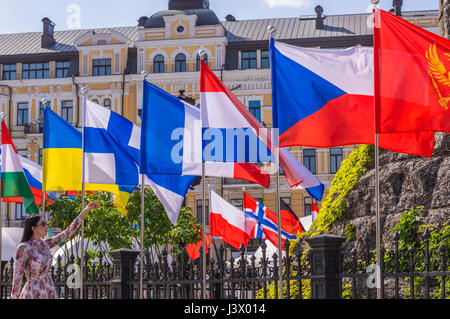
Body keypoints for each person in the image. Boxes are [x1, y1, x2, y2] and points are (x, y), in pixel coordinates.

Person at [10, 201, 99, 299]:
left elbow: (67, 233)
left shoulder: (46, 244)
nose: (46, 226)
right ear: (33, 228)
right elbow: (17, 276)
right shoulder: (23, 248)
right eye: (43, 224)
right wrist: (14, 297)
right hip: (33, 292)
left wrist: (85, 211)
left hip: (49, 289)